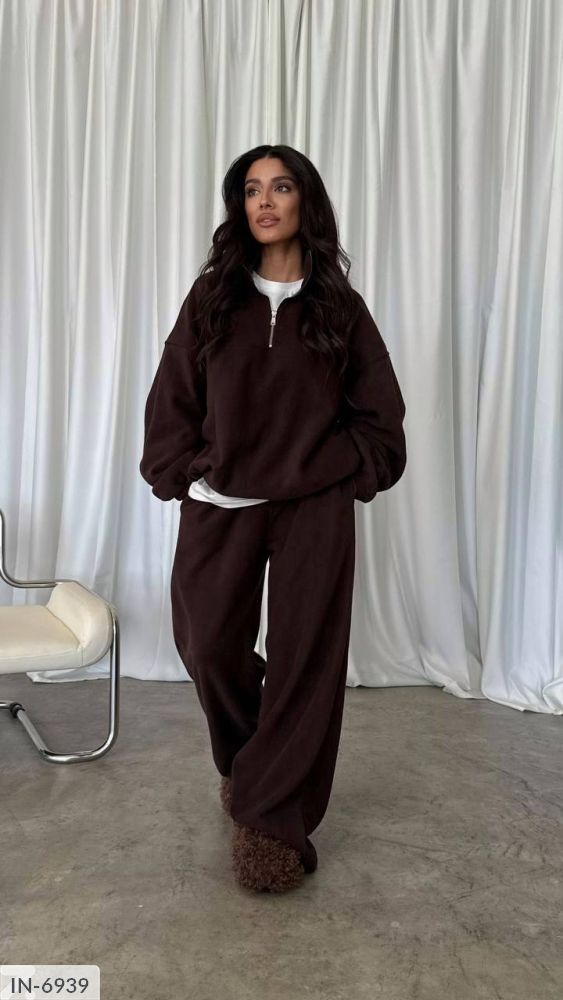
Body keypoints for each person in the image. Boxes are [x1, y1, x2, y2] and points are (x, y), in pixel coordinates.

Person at [139, 144, 407, 893]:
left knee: (304, 663)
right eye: (252, 189)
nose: (264, 200)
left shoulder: (339, 307)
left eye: (280, 187)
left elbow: (381, 419)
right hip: (221, 503)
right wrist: (185, 472)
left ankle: (271, 822)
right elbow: (173, 397)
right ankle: (254, 767)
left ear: (303, 202)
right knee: (208, 644)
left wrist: (343, 469)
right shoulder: (213, 298)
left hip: (312, 508)